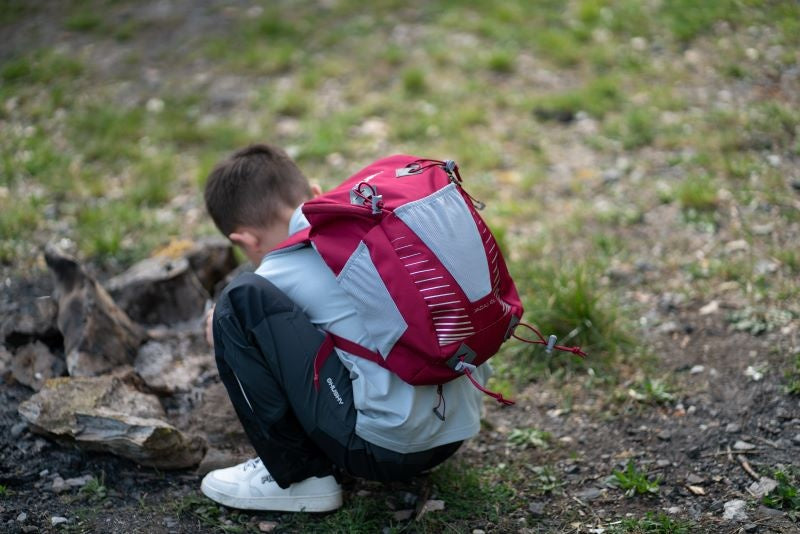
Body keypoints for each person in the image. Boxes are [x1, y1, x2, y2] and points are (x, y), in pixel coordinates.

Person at [199, 143, 490, 512]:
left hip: (386, 451)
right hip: (456, 430)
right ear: (316, 194)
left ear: (245, 240)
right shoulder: (371, 227)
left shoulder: (275, 273)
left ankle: (299, 480)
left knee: (237, 301)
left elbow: (265, 328)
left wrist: (226, 329)